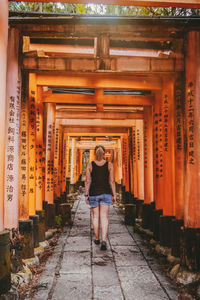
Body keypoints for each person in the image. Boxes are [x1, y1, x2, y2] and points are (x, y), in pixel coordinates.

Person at [85, 145, 116, 250]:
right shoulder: (109, 165)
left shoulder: (90, 165)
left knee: (95, 217)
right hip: (106, 193)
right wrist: (114, 194)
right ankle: (104, 241)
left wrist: (86, 195)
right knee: (104, 217)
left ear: (94, 153)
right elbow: (111, 181)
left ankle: (97, 238)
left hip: (93, 193)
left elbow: (88, 181)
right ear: (104, 154)